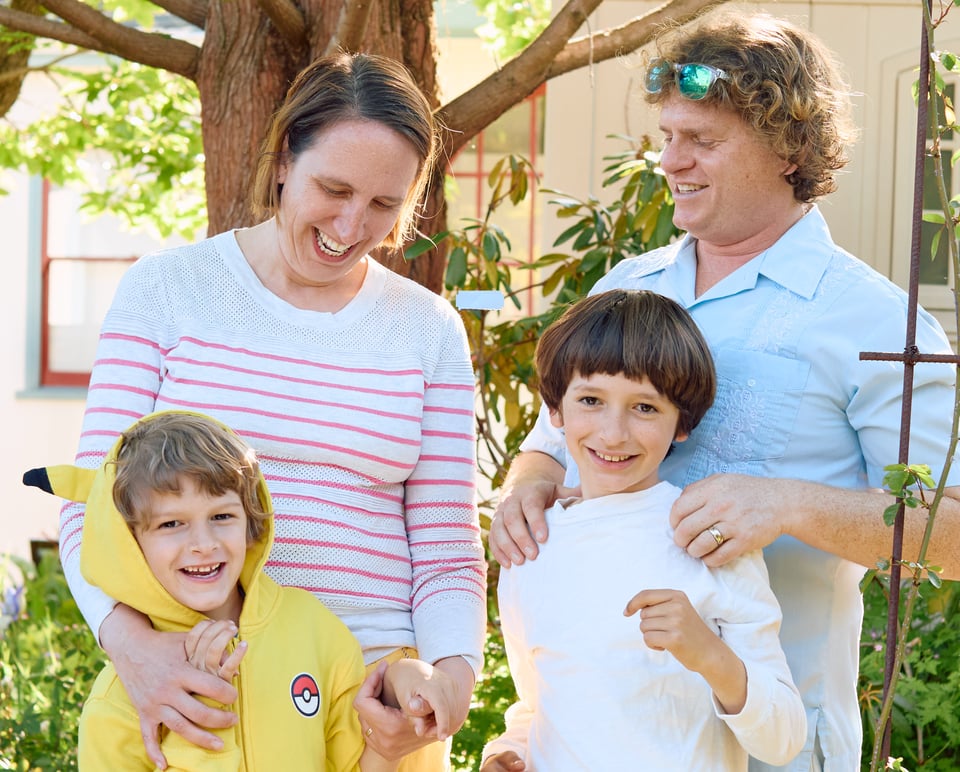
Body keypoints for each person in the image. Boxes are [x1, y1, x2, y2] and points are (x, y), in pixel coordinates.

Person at [489, 12, 960, 772]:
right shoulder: (627, 286)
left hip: (777, 741)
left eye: (702, 141)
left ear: (789, 149)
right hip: (599, 743)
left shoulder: (878, 322)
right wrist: (527, 487)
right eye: (668, 135)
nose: (670, 161)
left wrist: (789, 506)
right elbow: (549, 443)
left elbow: (953, 533)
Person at [56, 53, 485, 771]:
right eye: (334, 189)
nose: (351, 224)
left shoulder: (428, 328)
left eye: (384, 204)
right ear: (285, 158)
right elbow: (89, 506)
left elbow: (446, 545)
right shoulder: (166, 291)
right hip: (201, 694)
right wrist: (134, 650)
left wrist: (449, 687)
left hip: (373, 709)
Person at [480, 290, 806, 771]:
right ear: (556, 411)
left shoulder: (707, 537)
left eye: (645, 408)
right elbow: (536, 704)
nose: (613, 433)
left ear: (682, 424)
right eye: (591, 400)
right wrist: (506, 753)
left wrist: (709, 655)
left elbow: (784, 738)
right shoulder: (531, 544)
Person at [26, 410, 448, 770]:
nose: (203, 543)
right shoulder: (118, 701)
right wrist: (206, 723)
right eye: (171, 523)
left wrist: (396, 699)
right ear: (129, 543)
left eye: (222, 516)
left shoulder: (315, 632)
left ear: (251, 520)